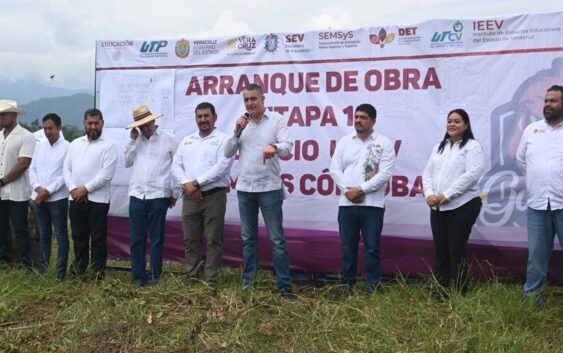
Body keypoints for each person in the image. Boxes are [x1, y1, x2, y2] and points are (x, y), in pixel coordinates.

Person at [224, 84, 295, 299]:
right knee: (248, 239)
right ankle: (248, 284)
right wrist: (236, 131)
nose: (250, 103)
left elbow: (288, 147)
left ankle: (284, 286)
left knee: (276, 240)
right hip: (245, 188)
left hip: (269, 188)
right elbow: (227, 152)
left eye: (254, 99)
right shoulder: (242, 124)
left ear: (263, 99)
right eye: (246, 100)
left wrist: (274, 148)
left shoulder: (276, 120)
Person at [330, 103, 395, 296]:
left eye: (363, 117)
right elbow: (335, 169)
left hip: (372, 204)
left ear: (373, 121)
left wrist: (360, 190)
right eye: (356, 117)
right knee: (347, 248)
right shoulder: (344, 142)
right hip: (347, 204)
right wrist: (348, 191)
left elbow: (385, 173)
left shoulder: (384, 143)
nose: (358, 120)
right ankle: (346, 285)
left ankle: (373, 287)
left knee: (372, 248)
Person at [422, 108, 483, 296]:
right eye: (449, 121)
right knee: (441, 250)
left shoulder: (472, 146)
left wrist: (447, 194)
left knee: (456, 249)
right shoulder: (439, 147)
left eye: (457, 121)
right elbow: (427, 173)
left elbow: (472, 175)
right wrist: (429, 194)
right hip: (438, 206)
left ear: (466, 125)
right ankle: (440, 290)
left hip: (463, 205)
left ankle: (458, 292)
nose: (452, 124)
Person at [172, 102, 233, 287]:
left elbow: (222, 167)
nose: (203, 120)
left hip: (213, 197)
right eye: (199, 116)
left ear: (215, 117)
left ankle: (211, 279)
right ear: (196, 118)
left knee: (214, 240)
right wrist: (186, 185)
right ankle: (192, 275)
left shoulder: (224, 140)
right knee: (191, 240)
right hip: (190, 198)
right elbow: (175, 164)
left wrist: (196, 183)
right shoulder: (187, 140)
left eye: (207, 116)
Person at [516, 84, 563, 307]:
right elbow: (521, 160)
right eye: (546, 100)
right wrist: (539, 180)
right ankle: (532, 304)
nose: (547, 104)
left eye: (553, 100)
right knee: (536, 259)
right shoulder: (531, 130)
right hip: (537, 206)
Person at [124, 104, 179, 286]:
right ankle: (138, 277)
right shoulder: (136, 141)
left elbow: (178, 167)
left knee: (156, 239)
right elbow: (127, 162)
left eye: (147, 124)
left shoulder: (169, 139)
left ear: (154, 121)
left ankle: (155, 276)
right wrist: (132, 141)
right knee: (136, 239)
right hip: (137, 195)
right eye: (141, 126)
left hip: (158, 195)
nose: (145, 128)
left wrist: (174, 193)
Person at [64, 108, 117, 279]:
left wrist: (85, 189)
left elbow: (106, 174)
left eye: (96, 123)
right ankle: (79, 270)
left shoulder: (109, 145)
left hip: (98, 200)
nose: (93, 126)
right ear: (84, 124)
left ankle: (97, 272)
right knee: (78, 236)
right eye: (90, 123)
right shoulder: (75, 144)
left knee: (98, 238)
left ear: (102, 124)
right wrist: (73, 189)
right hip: (76, 199)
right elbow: (66, 169)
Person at [29, 113, 70, 279]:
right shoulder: (40, 146)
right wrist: (38, 188)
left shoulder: (68, 147)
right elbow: (32, 169)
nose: (47, 131)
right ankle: (43, 271)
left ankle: (60, 274)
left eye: (50, 128)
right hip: (39, 198)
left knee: (61, 236)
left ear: (59, 128)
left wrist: (48, 191)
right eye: (45, 128)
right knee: (44, 235)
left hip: (57, 199)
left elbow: (65, 173)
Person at [0, 100, 36, 269]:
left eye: (4, 114)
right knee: (1, 229)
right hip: (2, 193)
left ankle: (27, 265)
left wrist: (2, 181)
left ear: (14, 115)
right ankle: (4, 261)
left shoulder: (26, 136)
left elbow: (23, 163)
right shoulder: (0, 136)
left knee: (20, 229)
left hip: (17, 192)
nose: (1, 117)